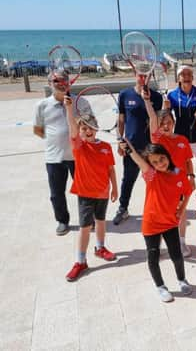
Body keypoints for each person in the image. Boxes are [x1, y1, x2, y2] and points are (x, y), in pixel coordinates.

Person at [120, 141, 192, 302]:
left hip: (170, 222)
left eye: (162, 158)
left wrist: (182, 209)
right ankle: (160, 286)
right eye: (155, 162)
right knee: (153, 256)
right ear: (150, 164)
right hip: (151, 223)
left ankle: (182, 279)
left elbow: (187, 191)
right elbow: (138, 160)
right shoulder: (151, 175)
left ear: (167, 155)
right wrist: (128, 148)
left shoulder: (179, 172)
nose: (160, 163)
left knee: (177, 255)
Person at [63, 99, 118, 282]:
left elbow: (111, 169)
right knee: (85, 228)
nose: (88, 130)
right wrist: (69, 108)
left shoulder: (106, 147)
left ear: (97, 128)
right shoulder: (79, 147)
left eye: (91, 127)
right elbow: (71, 127)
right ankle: (80, 261)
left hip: (103, 192)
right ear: (79, 132)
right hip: (86, 195)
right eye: (84, 128)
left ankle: (100, 248)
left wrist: (114, 188)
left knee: (101, 222)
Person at [144, 93, 196, 257]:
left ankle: (181, 241)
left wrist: (191, 176)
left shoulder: (182, 139)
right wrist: (147, 101)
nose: (166, 126)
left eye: (169, 122)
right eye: (163, 124)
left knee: (180, 211)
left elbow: (188, 161)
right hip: (162, 183)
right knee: (160, 213)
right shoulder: (158, 139)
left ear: (174, 122)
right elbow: (152, 120)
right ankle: (157, 244)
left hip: (179, 182)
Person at [114, 74, 163, 225]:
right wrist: (119, 140)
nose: (143, 78)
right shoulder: (124, 94)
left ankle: (160, 208)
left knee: (156, 181)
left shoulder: (157, 97)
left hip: (151, 148)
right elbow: (121, 120)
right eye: (140, 75)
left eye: (146, 75)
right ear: (135, 75)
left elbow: (158, 121)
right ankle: (123, 208)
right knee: (128, 179)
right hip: (131, 147)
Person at [33, 70, 77, 235]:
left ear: (69, 81)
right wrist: (56, 140)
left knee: (85, 191)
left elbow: (91, 124)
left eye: (63, 79)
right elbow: (38, 130)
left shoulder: (80, 101)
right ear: (50, 83)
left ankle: (88, 218)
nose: (60, 82)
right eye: (56, 80)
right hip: (54, 157)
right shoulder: (41, 105)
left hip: (78, 156)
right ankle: (62, 221)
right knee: (56, 193)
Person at [166, 65, 196, 160]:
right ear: (178, 78)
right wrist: (165, 108)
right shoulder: (172, 95)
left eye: (189, 74)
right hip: (180, 136)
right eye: (183, 74)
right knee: (182, 166)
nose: (186, 77)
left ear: (192, 78)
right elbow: (166, 117)